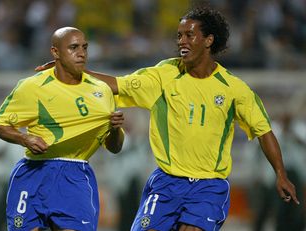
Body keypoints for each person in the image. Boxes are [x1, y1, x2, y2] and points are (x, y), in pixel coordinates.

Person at [36, 8, 299, 231]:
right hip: (166, 182)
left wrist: (280, 174)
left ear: (208, 40)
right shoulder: (164, 75)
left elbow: (264, 131)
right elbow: (117, 84)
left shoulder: (233, 88)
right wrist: (74, 72)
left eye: (189, 35)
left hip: (209, 187)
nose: (181, 41)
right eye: (179, 36)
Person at [0, 27, 125, 231]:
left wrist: (115, 129)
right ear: (55, 52)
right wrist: (24, 139)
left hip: (75, 175)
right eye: (73, 47)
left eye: (84, 47)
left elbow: (115, 148)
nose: (81, 53)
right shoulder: (32, 87)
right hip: (33, 172)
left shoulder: (101, 90)